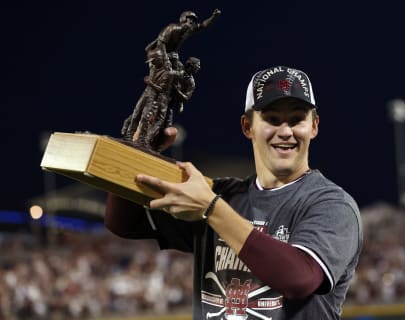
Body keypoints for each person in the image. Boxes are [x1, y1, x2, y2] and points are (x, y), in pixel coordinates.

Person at [105, 65, 363, 319]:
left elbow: (299, 278)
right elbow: (124, 223)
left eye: (297, 120)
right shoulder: (223, 195)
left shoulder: (332, 205)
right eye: (272, 119)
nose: (285, 131)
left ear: (314, 126)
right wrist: (138, 150)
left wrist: (212, 209)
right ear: (247, 126)